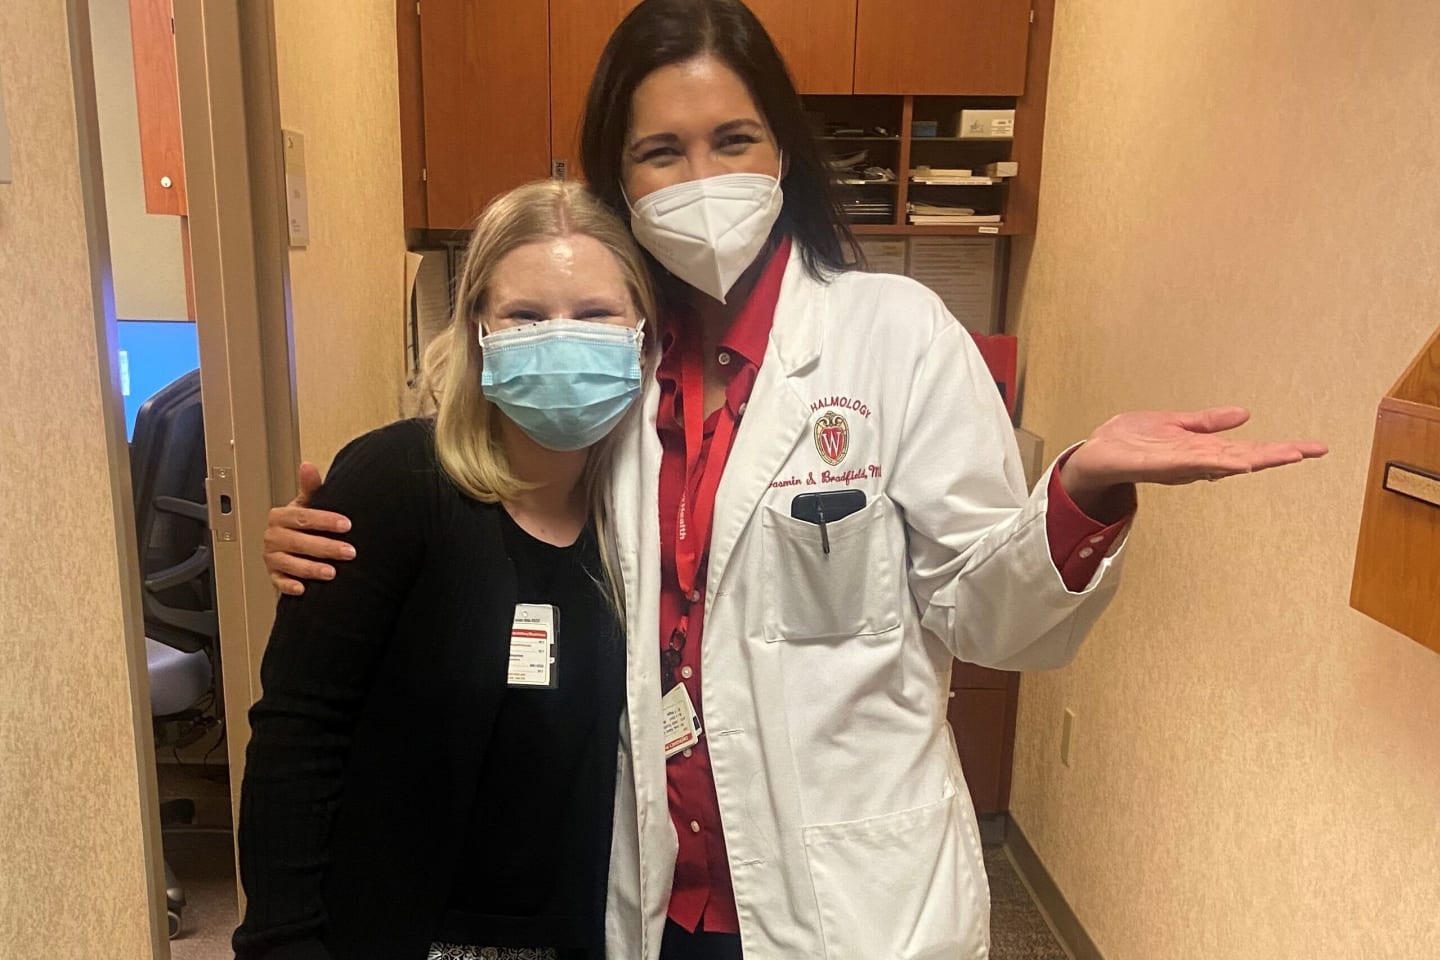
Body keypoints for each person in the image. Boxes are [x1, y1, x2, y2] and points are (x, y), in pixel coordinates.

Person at [261, 2, 1328, 958]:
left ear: (785, 153)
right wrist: (340, 527)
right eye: (659, 153)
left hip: (852, 906)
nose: (701, 180)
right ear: (616, 182)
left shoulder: (894, 337)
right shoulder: (614, 374)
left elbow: (994, 617)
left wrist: (1080, 493)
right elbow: (491, 486)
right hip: (650, 902)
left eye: (733, 141)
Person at [232, 180, 655, 960]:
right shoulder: (394, 484)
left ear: (641, 332)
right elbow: (299, 735)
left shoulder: (649, 523)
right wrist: (280, 942)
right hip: (398, 932)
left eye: (596, 314)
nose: (562, 336)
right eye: (526, 315)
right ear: (478, 330)